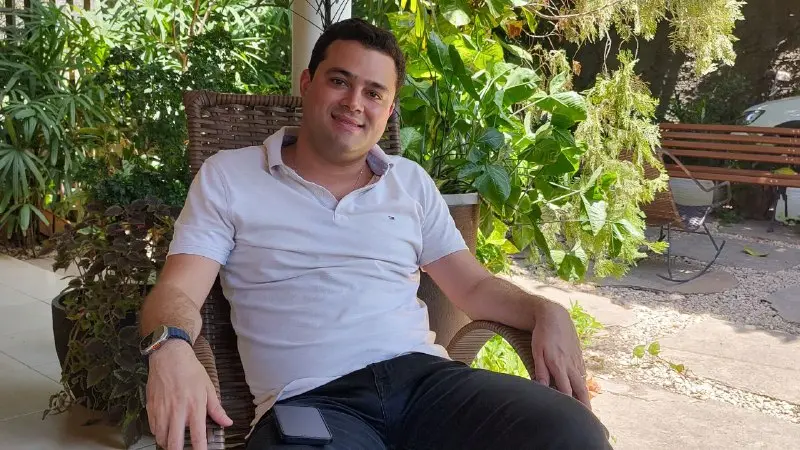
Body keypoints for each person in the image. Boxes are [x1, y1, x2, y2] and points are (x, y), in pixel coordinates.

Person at [140, 18, 611, 450]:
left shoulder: (410, 182)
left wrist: (544, 309)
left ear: (388, 110)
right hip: (314, 401)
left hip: (426, 384)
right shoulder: (230, 176)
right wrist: (170, 344)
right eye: (339, 81)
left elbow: (473, 287)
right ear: (306, 84)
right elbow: (178, 289)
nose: (354, 103)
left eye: (373, 92)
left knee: (571, 432)